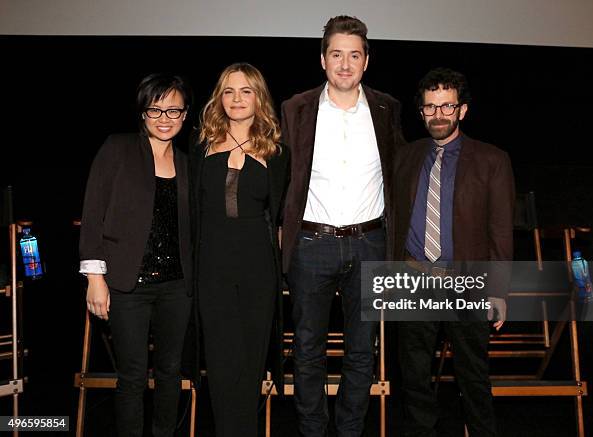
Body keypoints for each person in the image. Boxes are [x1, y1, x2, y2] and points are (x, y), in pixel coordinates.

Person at [280, 15, 403, 436]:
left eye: (354, 55)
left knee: (361, 351)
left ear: (367, 61)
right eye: (337, 54)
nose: (345, 64)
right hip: (312, 244)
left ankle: (350, 430)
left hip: (371, 242)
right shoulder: (295, 108)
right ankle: (312, 430)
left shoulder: (388, 109)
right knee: (308, 349)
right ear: (322, 59)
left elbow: (399, 173)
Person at [391, 67, 515, 436]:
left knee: (473, 376)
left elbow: (500, 229)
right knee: (412, 377)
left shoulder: (492, 160)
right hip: (413, 279)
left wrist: (499, 289)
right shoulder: (404, 157)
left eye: (446, 106)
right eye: (430, 107)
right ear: (421, 112)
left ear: (461, 110)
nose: (438, 114)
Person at [79, 73, 193, 437]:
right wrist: (95, 278)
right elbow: (93, 213)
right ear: (143, 113)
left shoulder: (191, 164)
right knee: (131, 376)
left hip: (176, 287)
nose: (164, 118)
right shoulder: (118, 148)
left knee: (171, 372)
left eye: (173, 110)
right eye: (155, 110)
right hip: (128, 285)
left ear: (185, 114)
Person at [191, 62, 290, 437]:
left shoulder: (278, 151)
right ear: (220, 97)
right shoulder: (199, 145)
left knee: (251, 361)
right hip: (212, 265)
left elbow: (284, 212)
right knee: (220, 360)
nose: (236, 98)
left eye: (245, 90)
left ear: (258, 97)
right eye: (229, 91)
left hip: (258, 267)